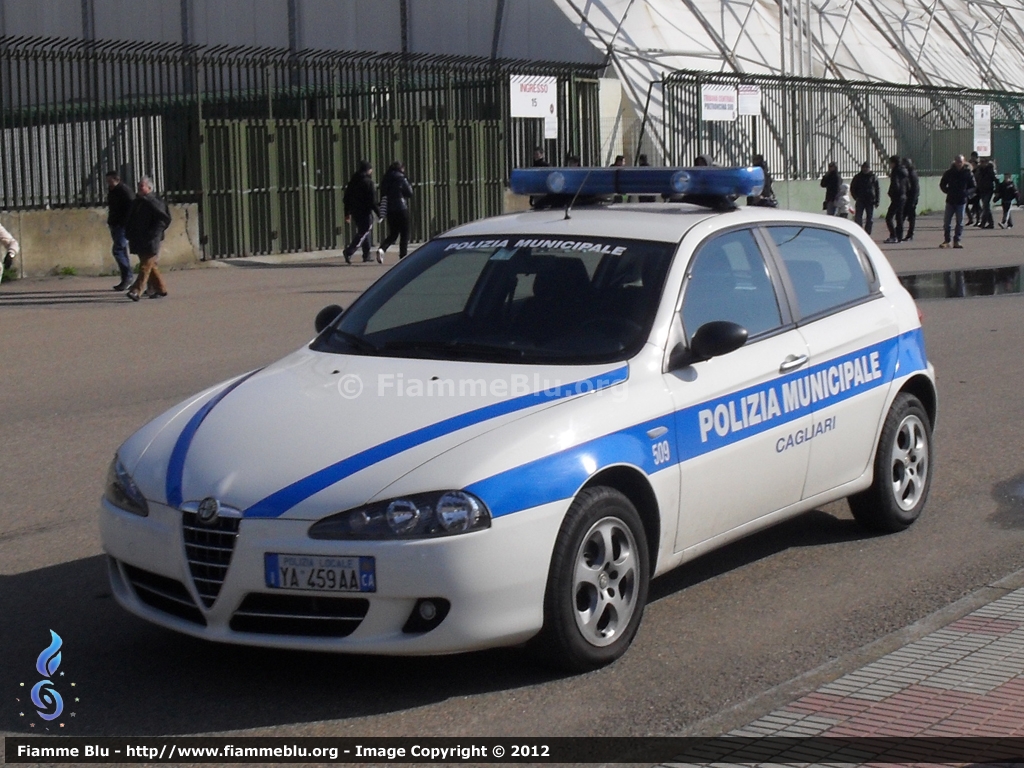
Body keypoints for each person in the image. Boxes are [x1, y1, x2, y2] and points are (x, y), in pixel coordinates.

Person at [124, 176, 171, 301]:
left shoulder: (154, 201)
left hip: (151, 239)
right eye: (139, 185)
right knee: (151, 265)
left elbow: (163, 220)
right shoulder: (138, 201)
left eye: (142, 186)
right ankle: (161, 289)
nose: (139, 188)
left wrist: (154, 234)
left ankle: (136, 290)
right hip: (139, 238)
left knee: (145, 266)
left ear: (149, 188)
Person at [342, 160, 379, 264]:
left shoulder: (353, 181)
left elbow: (346, 198)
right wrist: (379, 212)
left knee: (364, 231)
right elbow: (372, 201)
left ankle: (366, 254)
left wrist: (347, 212)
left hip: (355, 211)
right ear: (368, 170)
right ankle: (349, 251)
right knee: (364, 231)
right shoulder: (368, 182)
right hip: (365, 211)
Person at [377, 161, 414, 262]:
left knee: (393, 233)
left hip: (390, 210)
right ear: (401, 168)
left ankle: (382, 248)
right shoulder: (401, 178)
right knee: (404, 233)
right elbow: (410, 192)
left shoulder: (385, 179)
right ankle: (403, 256)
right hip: (401, 208)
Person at [105, 171, 136, 290]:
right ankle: (126, 278)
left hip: (122, 226)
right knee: (121, 251)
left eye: (110, 180)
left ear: (116, 179)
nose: (108, 183)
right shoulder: (112, 191)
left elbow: (131, 207)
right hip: (115, 224)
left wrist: (125, 223)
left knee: (118, 250)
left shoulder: (124, 190)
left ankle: (128, 277)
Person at [939, 154, 976, 249]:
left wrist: (966, 193)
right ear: (954, 162)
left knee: (960, 222)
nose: (959, 163)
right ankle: (947, 240)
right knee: (947, 222)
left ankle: (957, 240)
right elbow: (942, 183)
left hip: (961, 201)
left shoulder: (967, 173)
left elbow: (973, 186)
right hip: (950, 200)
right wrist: (947, 191)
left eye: (960, 162)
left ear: (964, 162)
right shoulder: (949, 172)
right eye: (957, 161)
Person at [850, 161, 880, 234]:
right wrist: (856, 197)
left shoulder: (873, 177)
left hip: (870, 200)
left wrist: (877, 201)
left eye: (867, 168)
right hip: (860, 199)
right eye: (864, 167)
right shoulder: (858, 177)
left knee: (870, 218)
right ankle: (859, 231)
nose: (865, 169)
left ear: (869, 168)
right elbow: (852, 188)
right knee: (858, 217)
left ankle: (867, 232)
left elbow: (877, 189)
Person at [883, 155, 908, 243]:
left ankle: (893, 235)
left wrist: (891, 193)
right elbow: (907, 185)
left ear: (893, 163)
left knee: (889, 217)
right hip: (903, 196)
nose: (890, 165)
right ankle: (899, 237)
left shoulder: (895, 171)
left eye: (890, 163)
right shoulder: (904, 171)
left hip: (897, 196)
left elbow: (895, 184)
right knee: (899, 217)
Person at [974, 157, 996, 229]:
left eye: (983, 162)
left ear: (987, 162)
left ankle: (984, 222)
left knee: (985, 205)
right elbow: (976, 178)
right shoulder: (979, 170)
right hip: (981, 190)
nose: (982, 163)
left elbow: (995, 179)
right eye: (981, 162)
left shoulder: (990, 170)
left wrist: (997, 190)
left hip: (988, 190)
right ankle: (990, 223)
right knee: (986, 207)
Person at [902, 158, 920, 241]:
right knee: (902, 216)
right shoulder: (907, 173)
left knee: (910, 217)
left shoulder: (912, 174)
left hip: (911, 199)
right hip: (907, 198)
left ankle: (910, 234)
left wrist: (913, 201)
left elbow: (915, 189)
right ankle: (899, 232)